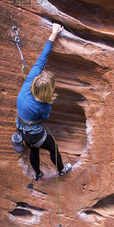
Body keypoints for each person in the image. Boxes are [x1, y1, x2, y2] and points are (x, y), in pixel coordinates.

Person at [16, 23, 72, 181]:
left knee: (33, 150)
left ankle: (37, 174)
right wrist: (55, 32)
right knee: (53, 148)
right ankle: (61, 170)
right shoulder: (43, 105)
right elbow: (45, 117)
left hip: (21, 130)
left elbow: (41, 59)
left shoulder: (29, 81)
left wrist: (53, 34)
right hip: (35, 134)